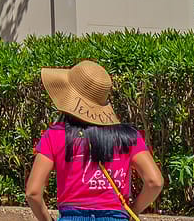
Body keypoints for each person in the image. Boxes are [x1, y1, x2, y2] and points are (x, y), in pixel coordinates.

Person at [25, 61, 165, 221]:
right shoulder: (129, 137)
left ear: (69, 96)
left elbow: (33, 192)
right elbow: (155, 182)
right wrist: (133, 211)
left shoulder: (55, 135)